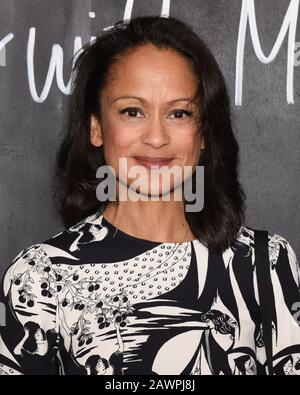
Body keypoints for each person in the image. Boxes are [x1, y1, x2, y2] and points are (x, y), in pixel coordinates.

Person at [0, 15, 299, 376]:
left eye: (179, 113)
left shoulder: (265, 265)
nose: (156, 137)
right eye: (132, 111)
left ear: (203, 133)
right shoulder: (39, 279)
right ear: (96, 127)